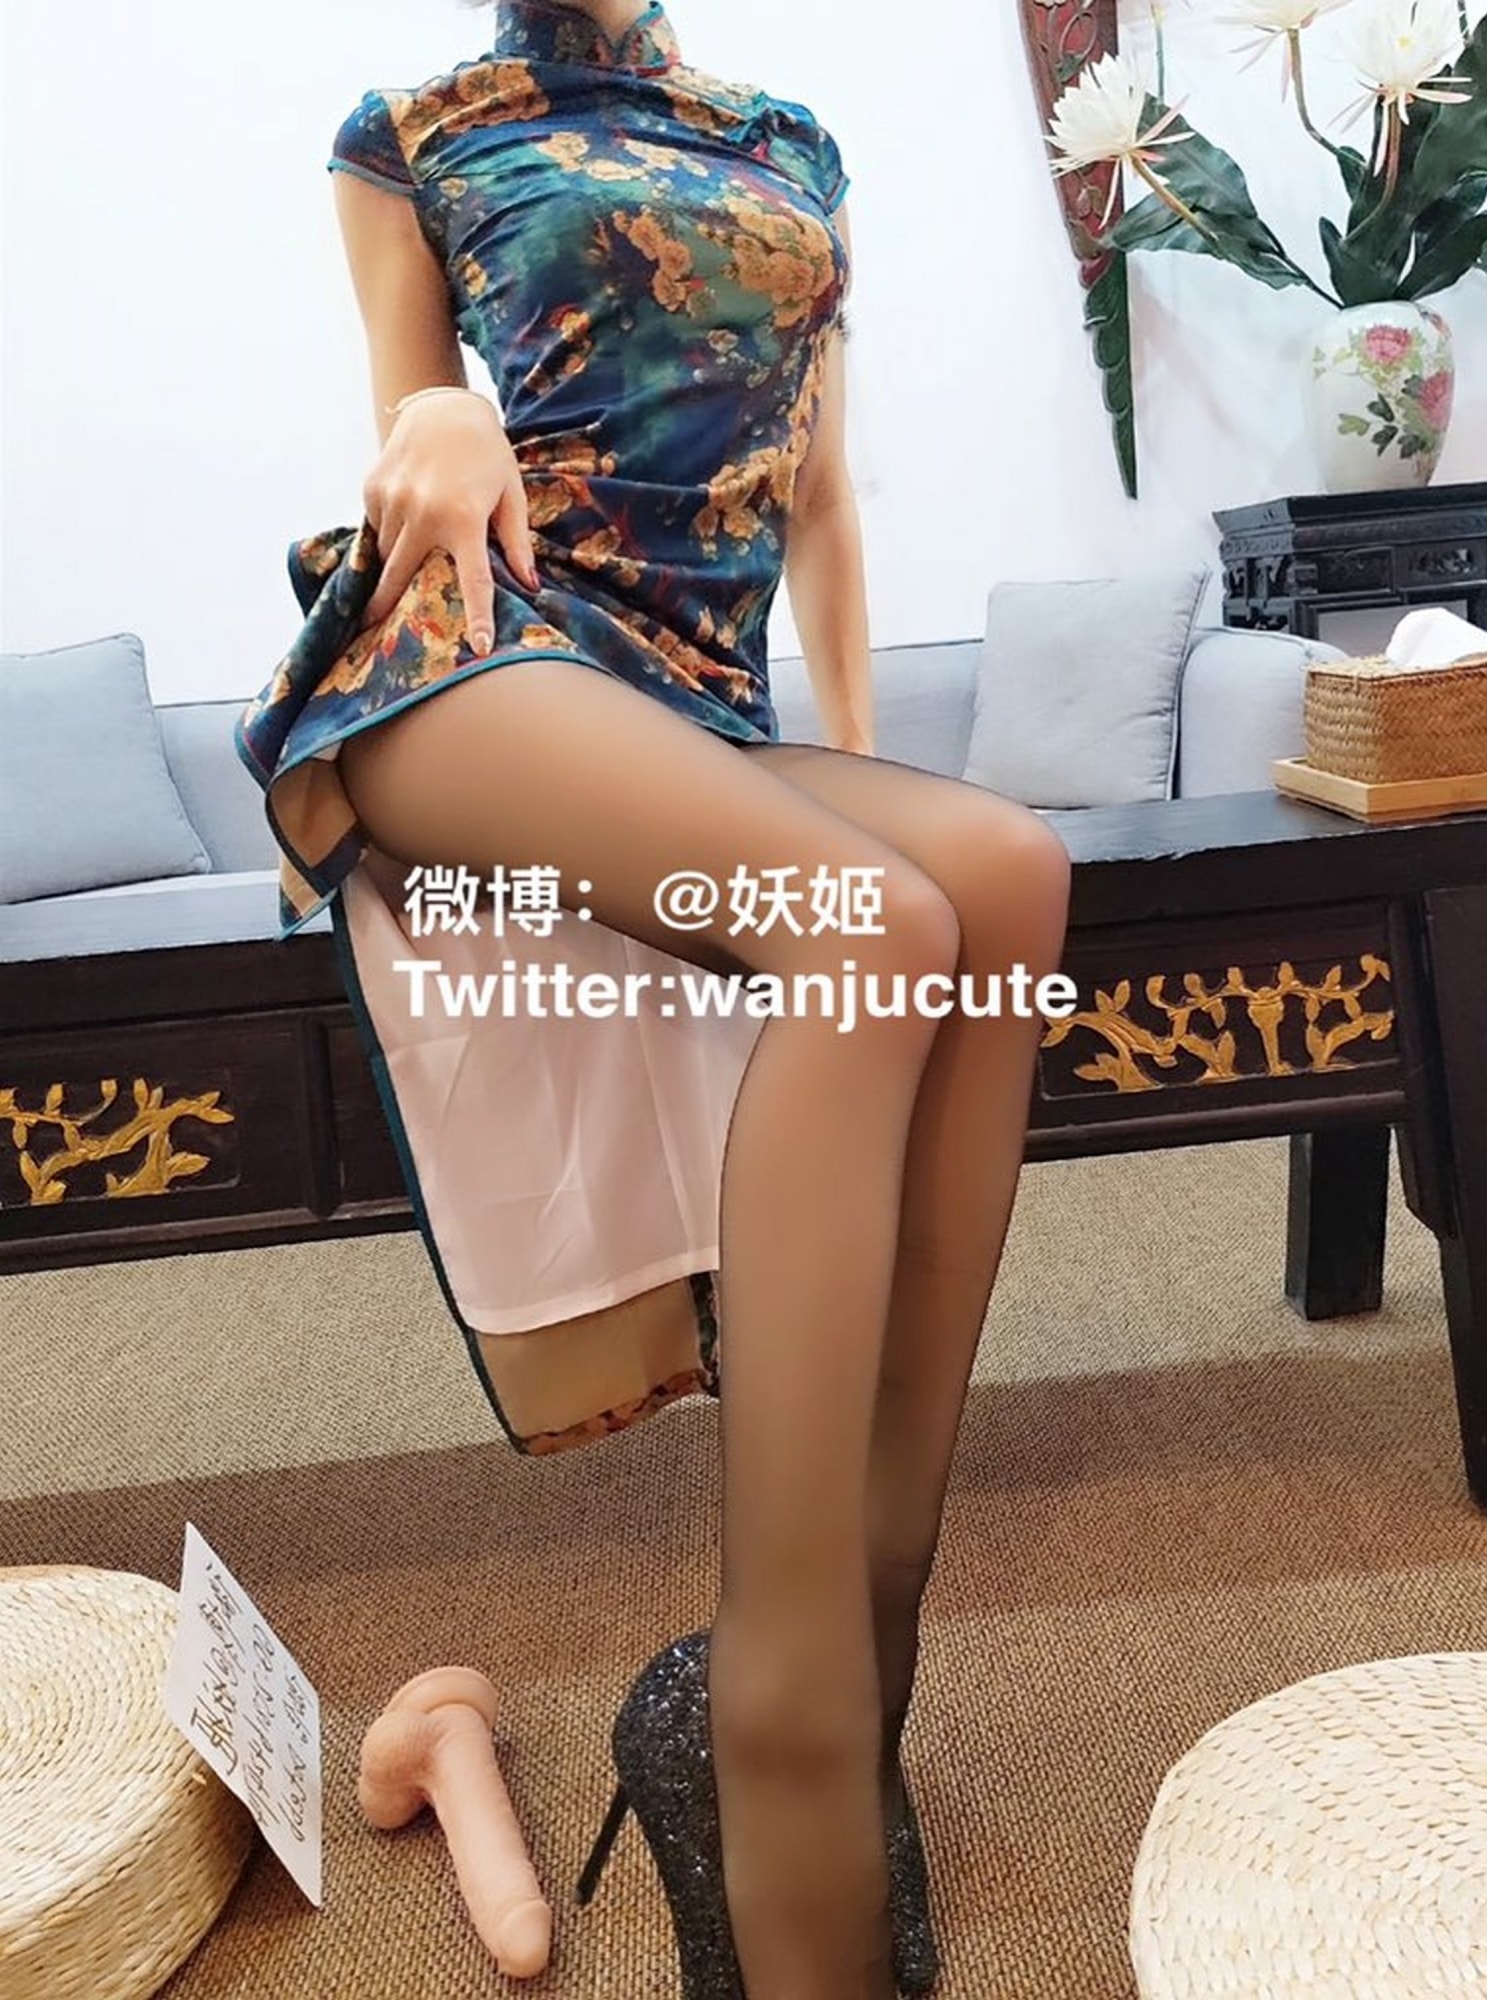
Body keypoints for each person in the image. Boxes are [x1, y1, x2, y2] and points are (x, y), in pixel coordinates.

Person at [235, 2, 1073, 1993]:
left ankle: (857, 1651)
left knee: (997, 882)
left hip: (690, 708)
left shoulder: (788, 144)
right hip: (471, 668)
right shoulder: (417, 128)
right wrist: (444, 425)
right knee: (866, 922)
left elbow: (819, 498)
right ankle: (787, 1720)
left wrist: (860, 776)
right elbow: (416, 429)